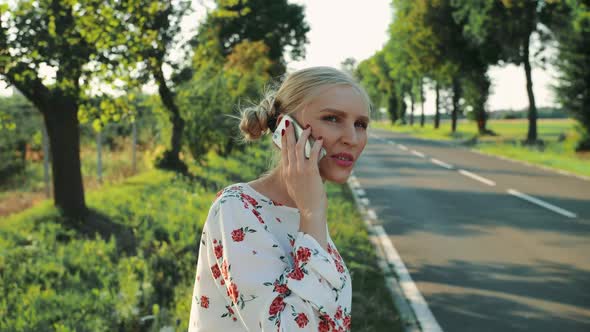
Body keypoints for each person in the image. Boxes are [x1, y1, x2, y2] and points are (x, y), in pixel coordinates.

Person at [188, 66, 371, 331]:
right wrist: (312, 215)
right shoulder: (237, 208)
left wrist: (310, 213)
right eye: (332, 118)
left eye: (360, 124)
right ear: (287, 128)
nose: (352, 139)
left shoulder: (303, 210)